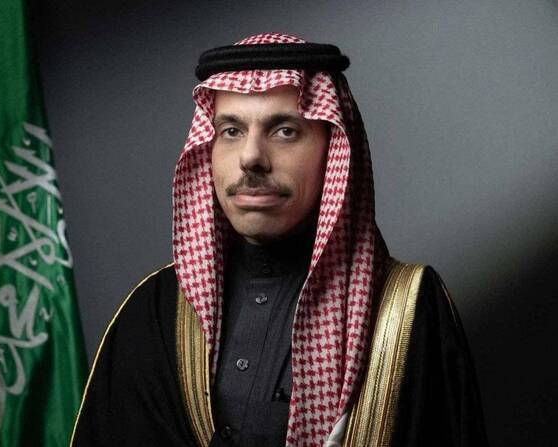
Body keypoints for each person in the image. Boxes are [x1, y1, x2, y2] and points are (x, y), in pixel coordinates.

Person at [69, 33, 488, 447]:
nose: (251, 156)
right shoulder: (153, 312)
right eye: (230, 131)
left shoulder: (408, 309)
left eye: (285, 131)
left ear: (334, 150)